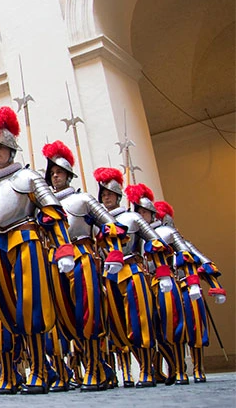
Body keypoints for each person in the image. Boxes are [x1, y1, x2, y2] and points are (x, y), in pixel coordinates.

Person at [0, 107, 74, 394]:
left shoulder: (30, 178)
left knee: (30, 306)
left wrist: (64, 249)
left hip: (26, 240)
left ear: (12, 149)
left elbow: (53, 213)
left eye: (2, 147)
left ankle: (41, 368)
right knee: (4, 312)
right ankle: (10, 373)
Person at [42, 141, 126, 391]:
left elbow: (112, 226)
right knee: (62, 315)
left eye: (59, 172)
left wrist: (115, 254)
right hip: (55, 259)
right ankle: (67, 368)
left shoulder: (84, 199)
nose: (55, 175)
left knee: (88, 311)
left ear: (69, 175)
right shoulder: (46, 203)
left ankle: (95, 365)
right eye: (52, 172)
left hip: (83, 255)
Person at [93, 170, 173, 388]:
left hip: (133, 271)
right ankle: (145, 365)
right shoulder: (97, 222)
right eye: (103, 194)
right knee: (119, 329)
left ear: (118, 196)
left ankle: (148, 369)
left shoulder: (133, 218)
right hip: (109, 277)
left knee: (140, 323)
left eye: (110, 193)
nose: (106, 197)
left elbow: (155, 243)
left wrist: (163, 272)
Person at [153, 201, 226, 383]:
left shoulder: (186, 247)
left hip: (187, 291)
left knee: (195, 330)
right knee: (172, 331)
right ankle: (176, 368)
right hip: (167, 292)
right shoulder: (154, 247)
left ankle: (198, 368)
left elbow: (205, 264)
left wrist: (215, 286)